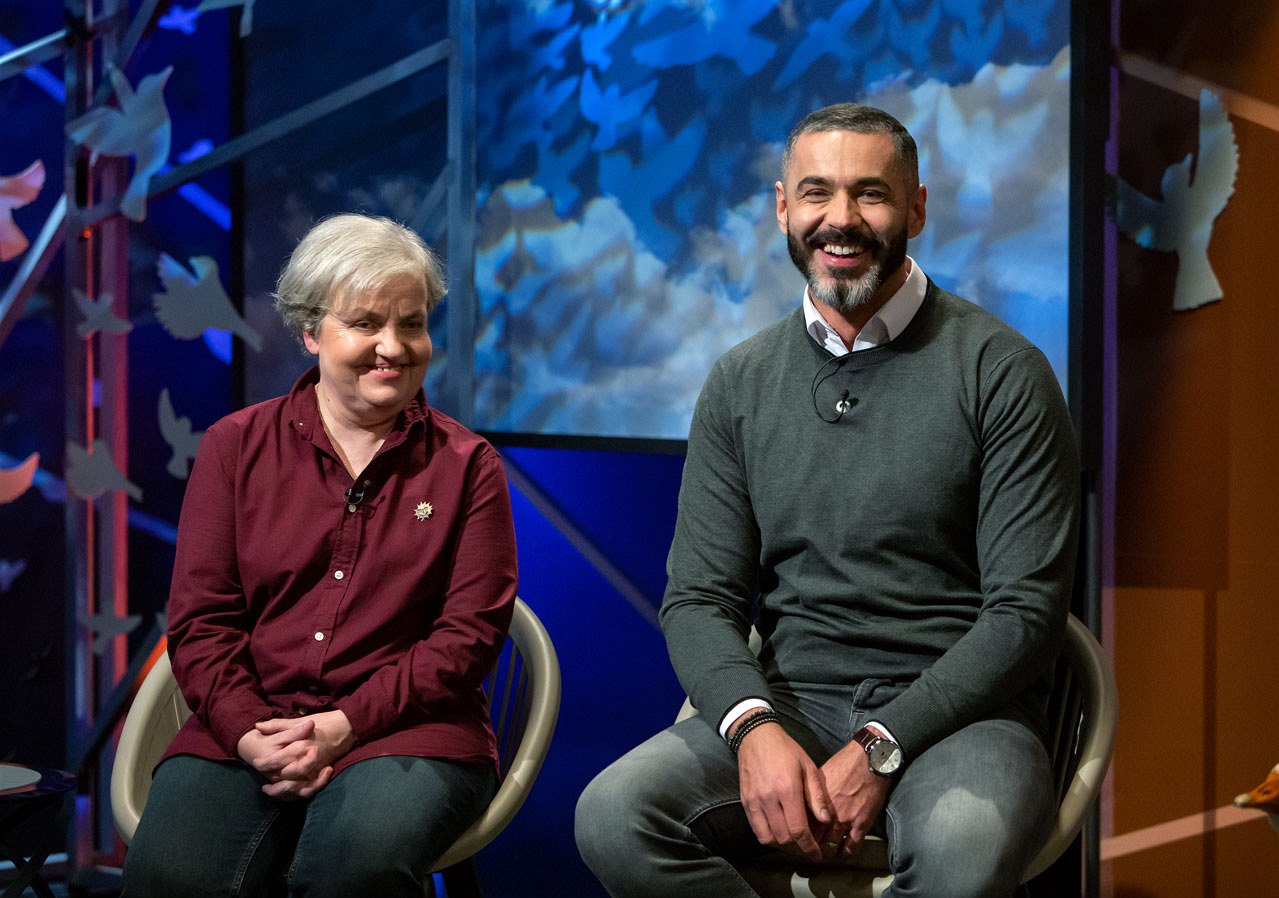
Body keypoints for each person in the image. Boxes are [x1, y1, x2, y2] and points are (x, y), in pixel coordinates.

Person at [575, 103, 1080, 897]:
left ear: (915, 208)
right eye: (816, 193)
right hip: (790, 701)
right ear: (783, 208)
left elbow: (1024, 614)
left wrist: (883, 743)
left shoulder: (1001, 371)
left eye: (869, 194)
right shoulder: (739, 381)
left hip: (961, 714)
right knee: (613, 816)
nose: (839, 219)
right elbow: (699, 599)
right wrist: (752, 725)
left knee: (965, 844)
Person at [122, 214, 518, 898]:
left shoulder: (468, 466)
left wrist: (345, 725)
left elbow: (469, 638)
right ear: (310, 332)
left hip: (409, 730)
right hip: (251, 725)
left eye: (412, 324)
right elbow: (201, 622)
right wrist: (248, 732)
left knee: (350, 874)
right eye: (365, 324)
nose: (393, 347)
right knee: (171, 877)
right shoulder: (233, 447)